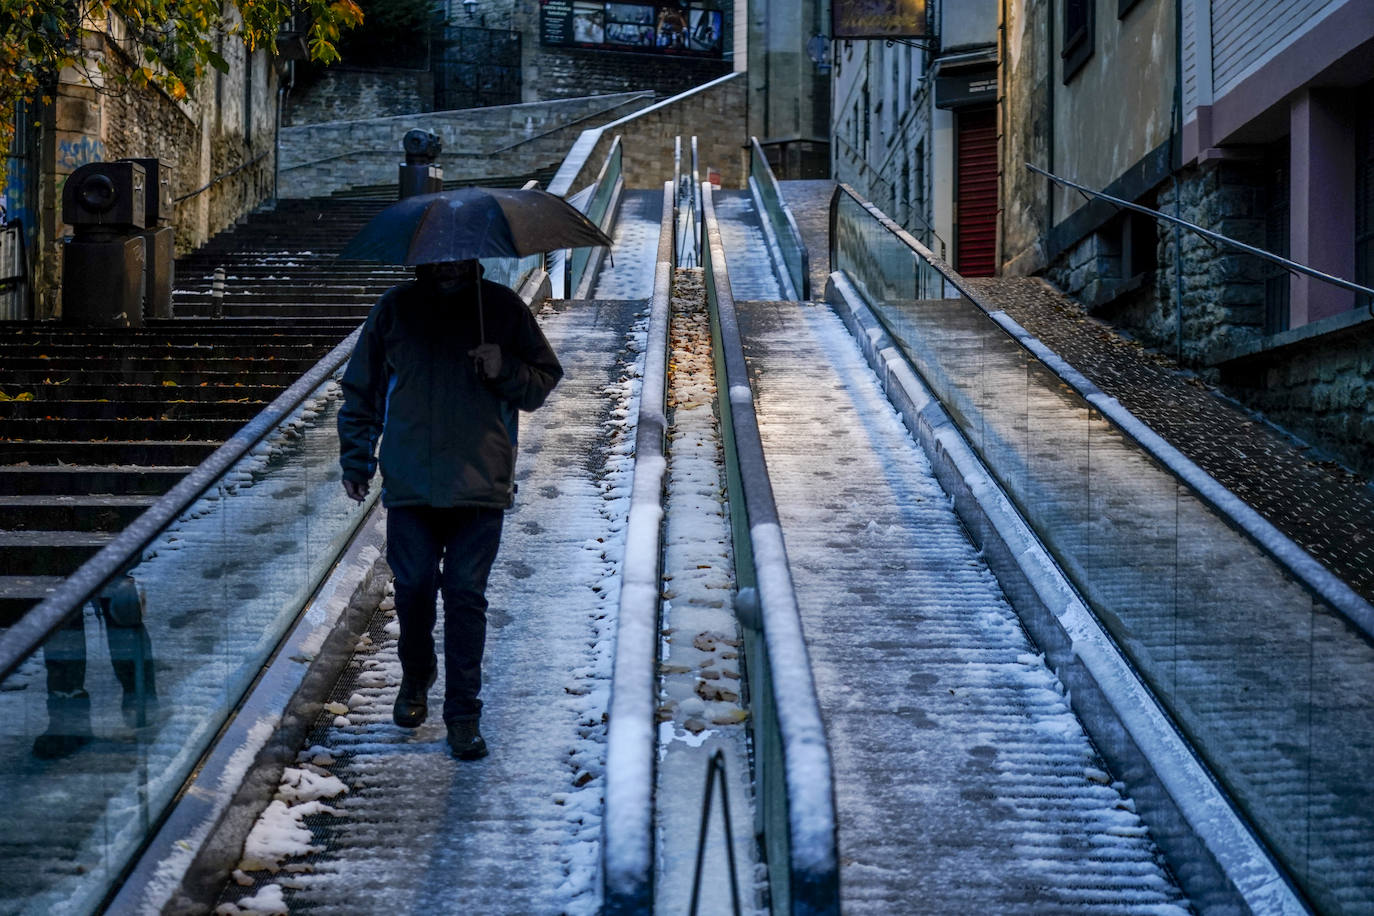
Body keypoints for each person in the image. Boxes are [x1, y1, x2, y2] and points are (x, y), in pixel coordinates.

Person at [337, 259, 563, 760]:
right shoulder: (396, 309)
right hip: (411, 482)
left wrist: (504, 367)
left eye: (456, 257)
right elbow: (362, 389)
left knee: (465, 596)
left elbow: (543, 380)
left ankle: (463, 714)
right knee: (414, 587)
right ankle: (417, 674)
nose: (447, 265)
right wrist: (357, 457)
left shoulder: (501, 308)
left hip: (480, 483)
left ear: (471, 257)